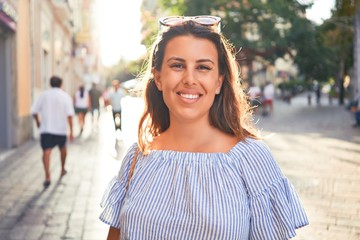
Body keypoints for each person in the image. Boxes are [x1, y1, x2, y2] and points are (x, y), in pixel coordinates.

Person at [99, 16, 308, 239]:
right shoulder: (136, 158)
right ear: (158, 78)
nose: (190, 79)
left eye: (203, 67)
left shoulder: (250, 158)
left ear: (218, 82)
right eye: (177, 65)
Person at [31, 76, 74, 188]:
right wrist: (72, 131)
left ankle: (47, 176)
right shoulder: (65, 96)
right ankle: (62, 169)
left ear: (50, 84)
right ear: (61, 84)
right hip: (60, 129)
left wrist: (38, 122)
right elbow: (70, 116)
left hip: (46, 129)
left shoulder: (44, 95)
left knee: (46, 152)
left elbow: (34, 111)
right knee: (63, 149)